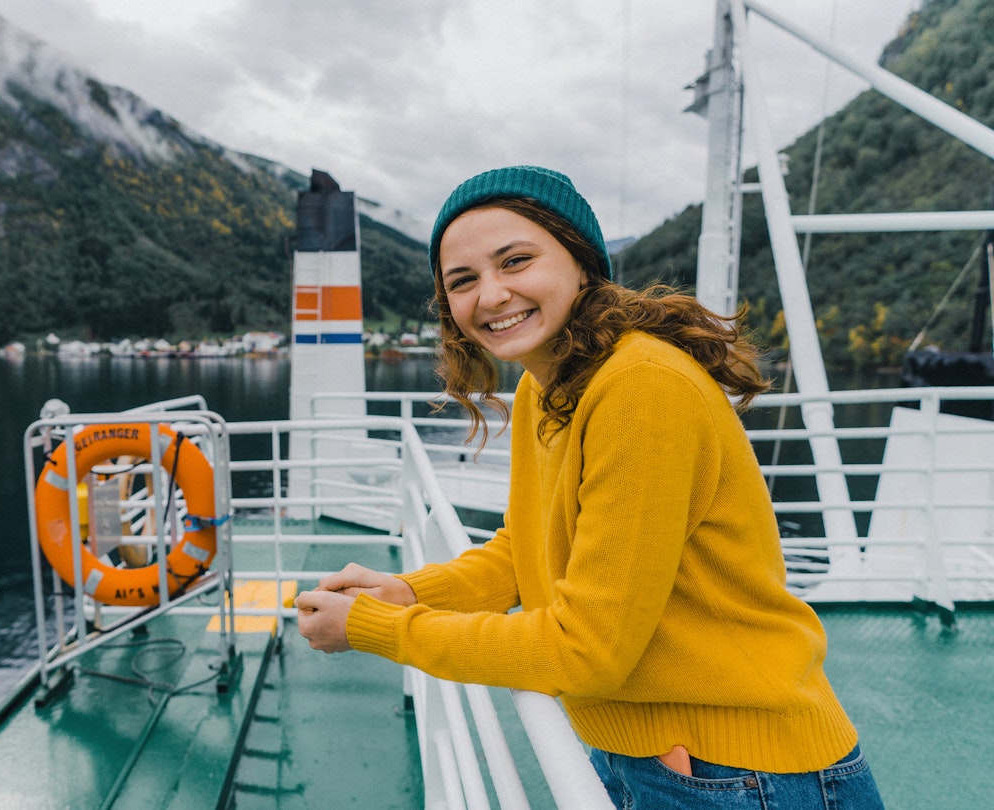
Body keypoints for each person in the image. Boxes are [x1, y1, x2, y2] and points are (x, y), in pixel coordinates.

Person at [293, 166, 884, 809]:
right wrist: (408, 590)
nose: (490, 295)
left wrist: (381, 629)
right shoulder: (541, 386)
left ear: (581, 261)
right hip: (663, 754)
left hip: (743, 774)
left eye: (515, 261)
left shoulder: (641, 388)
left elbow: (587, 649)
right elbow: (526, 547)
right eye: (462, 281)